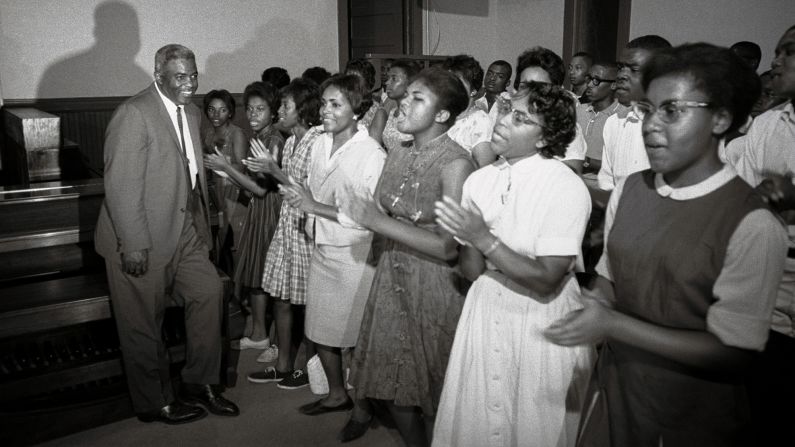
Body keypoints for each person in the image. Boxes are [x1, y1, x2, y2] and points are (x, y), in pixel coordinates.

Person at [545, 43, 787, 447]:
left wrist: (613, 324)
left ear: (722, 118)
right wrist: (590, 307)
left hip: (689, 408)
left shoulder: (752, 224)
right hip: (618, 387)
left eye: (672, 111)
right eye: (646, 109)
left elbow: (732, 350)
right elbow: (610, 280)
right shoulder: (630, 190)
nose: (651, 125)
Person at [432, 82, 593, 447]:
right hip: (488, 304)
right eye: (506, 111)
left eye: (520, 118)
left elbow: (548, 279)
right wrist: (464, 236)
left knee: (534, 420)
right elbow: (472, 271)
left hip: (541, 315)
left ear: (543, 137)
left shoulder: (563, 185)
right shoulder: (480, 180)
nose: (503, 121)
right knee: (483, 415)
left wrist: (483, 237)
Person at [94, 43, 238, 424]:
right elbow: (122, 187)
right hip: (139, 237)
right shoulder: (134, 113)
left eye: (193, 75)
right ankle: (154, 401)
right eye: (180, 76)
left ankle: (200, 382)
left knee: (209, 292)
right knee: (142, 325)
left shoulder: (190, 112)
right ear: (158, 75)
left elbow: (189, 175)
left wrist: (201, 230)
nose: (189, 83)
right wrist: (134, 244)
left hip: (183, 231)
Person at [343, 67, 475, 446]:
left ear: (443, 115)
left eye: (418, 98)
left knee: (433, 390)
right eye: (407, 95)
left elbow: (449, 247)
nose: (403, 102)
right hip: (391, 274)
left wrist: (375, 221)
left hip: (434, 284)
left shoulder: (456, 164)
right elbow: (384, 211)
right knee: (390, 384)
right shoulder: (398, 150)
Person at [280, 74, 385, 417]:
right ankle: (337, 394)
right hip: (322, 247)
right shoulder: (319, 144)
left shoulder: (372, 153)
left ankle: (366, 406)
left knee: (355, 335)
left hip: (354, 254)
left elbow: (370, 215)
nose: (325, 110)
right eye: (324, 102)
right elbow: (309, 191)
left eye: (335, 104)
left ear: (356, 109)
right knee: (320, 329)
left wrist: (315, 207)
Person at [732, 24, 795, 447]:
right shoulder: (769, 125)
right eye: (776, 52)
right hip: (777, 284)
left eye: (788, 51)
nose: (776, 62)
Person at [243, 78, 323, 389]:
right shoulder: (290, 142)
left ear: (302, 110)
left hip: (306, 229)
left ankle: (308, 367)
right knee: (281, 297)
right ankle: (283, 364)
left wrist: (272, 170)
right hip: (287, 226)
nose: (279, 111)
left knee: (309, 304)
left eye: (284, 106)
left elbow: (306, 189)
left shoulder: (318, 141)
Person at [205, 82, 284, 357]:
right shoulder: (258, 137)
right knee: (256, 276)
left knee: (268, 278)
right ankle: (259, 334)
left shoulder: (274, 139)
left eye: (260, 109)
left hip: (269, 210)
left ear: (273, 112)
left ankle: (275, 343)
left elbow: (262, 188)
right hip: (257, 209)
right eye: (250, 108)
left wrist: (226, 167)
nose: (253, 114)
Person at [595, 35, 671, 204]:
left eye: (634, 70)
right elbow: (607, 183)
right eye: (621, 67)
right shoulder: (615, 123)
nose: (621, 75)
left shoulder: (680, 128)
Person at [505, 46, 588, 173]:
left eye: (539, 87)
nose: (530, 94)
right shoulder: (508, 122)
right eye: (524, 86)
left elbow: (570, 177)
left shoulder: (567, 131)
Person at [201, 89, 247, 262]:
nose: (216, 114)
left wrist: (220, 164)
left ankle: (240, 286)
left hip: (235, 191)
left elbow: (241, 169)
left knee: (236, 241)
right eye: (212, 109)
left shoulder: (237, 134)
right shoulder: (208, 134)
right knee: (220, 241)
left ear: (230, 112)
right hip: (216, 192)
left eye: (223, 110)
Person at [444, 54, 497, 167]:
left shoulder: (480, 122)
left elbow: (484, 172)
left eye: (458, 83)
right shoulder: (442, 115)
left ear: (473, 90)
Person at [369, 59, 421, 152]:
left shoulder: (418, 114)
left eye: (393, 79)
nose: (387, 82)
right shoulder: (393, 112)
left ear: (410, 83)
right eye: (388, 78)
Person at [345, 58, 381, 129]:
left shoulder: (375, 110)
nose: (351, 83)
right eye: (348, 78)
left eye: (356, 79)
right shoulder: (340, 103)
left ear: (367, 82)